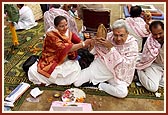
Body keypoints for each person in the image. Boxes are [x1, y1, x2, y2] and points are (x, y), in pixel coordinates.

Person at [74, 19, 139, 98]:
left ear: (127, 33)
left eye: (121, 35)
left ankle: (101, 85)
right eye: (116, 35)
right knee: (76, 83)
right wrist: (93, 44)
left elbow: (126, 64)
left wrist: (111, 48)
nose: (118, 38)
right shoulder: (109, 36)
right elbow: (94, 52)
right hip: (102, 65)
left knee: (122, 93)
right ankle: (98, 80)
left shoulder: (132, 44)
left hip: (117, 73)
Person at [28, 16, 92, 86]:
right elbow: (66, 48)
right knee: (35, 71)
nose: (65, 28)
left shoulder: (68, 32)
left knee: (75, 70)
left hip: (65, 58)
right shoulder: (51, 35)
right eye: (61, 26)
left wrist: (87, 43)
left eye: (66, 25)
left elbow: (78, 41)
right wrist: (83, 44)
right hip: (52, 59)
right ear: (56, 27)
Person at [135, 21, 164, 92]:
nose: (158, 36)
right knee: (153, 87)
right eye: (155, 34)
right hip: (153, 65)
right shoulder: (150, 42)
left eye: (160, 33)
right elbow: (146, 57)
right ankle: (139, 71)